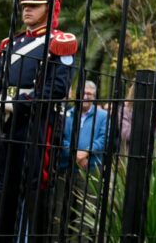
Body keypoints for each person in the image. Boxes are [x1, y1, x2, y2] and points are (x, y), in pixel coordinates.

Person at [0, 0, 76, 241]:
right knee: (3, 189)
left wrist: (16, 104)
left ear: (50, 7)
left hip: (38, 124)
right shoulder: (11, 43)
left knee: (37, 192)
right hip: (7, 121)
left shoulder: (59, 43)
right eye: (25, 5)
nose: (27, 10)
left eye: (34, 5)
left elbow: (56, 88)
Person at [54, 80, 107, 240]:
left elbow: (104, 138)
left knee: (85, 212)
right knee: (61, 209)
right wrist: (75, 154)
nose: (86, 96)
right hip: (67, 167)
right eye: (83, 93)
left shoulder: (103, 116)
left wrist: (86, 152)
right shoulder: (67, 114)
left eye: (90, 94)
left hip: (91, 169)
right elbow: (60, 137)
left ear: (94, 96)